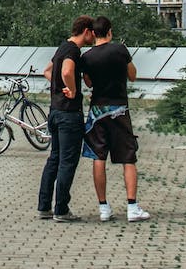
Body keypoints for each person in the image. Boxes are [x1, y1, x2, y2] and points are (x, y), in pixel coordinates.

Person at [80, 16, 150, 222]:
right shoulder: (120, 50)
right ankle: (132, 207)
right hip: (119, 108)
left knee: (98, 157)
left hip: (97, 111)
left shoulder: (87, 57)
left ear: (93, 34)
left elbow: (88, 82)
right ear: (109, 31)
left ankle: (103, 208)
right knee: (128, 157)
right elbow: (133, 75)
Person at [37, 15, 96, 223]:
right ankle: (61, 209)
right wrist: (70, 89)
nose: (93, 37)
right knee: (67, 162)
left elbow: (47, 71)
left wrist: (57, 87)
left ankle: (44, 206)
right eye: (92, 33)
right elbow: (67, 70)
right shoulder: (73, 51)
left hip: (54, 111)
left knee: (54, 158)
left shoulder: (62, 47)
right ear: (86, 31)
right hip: (69, 114)